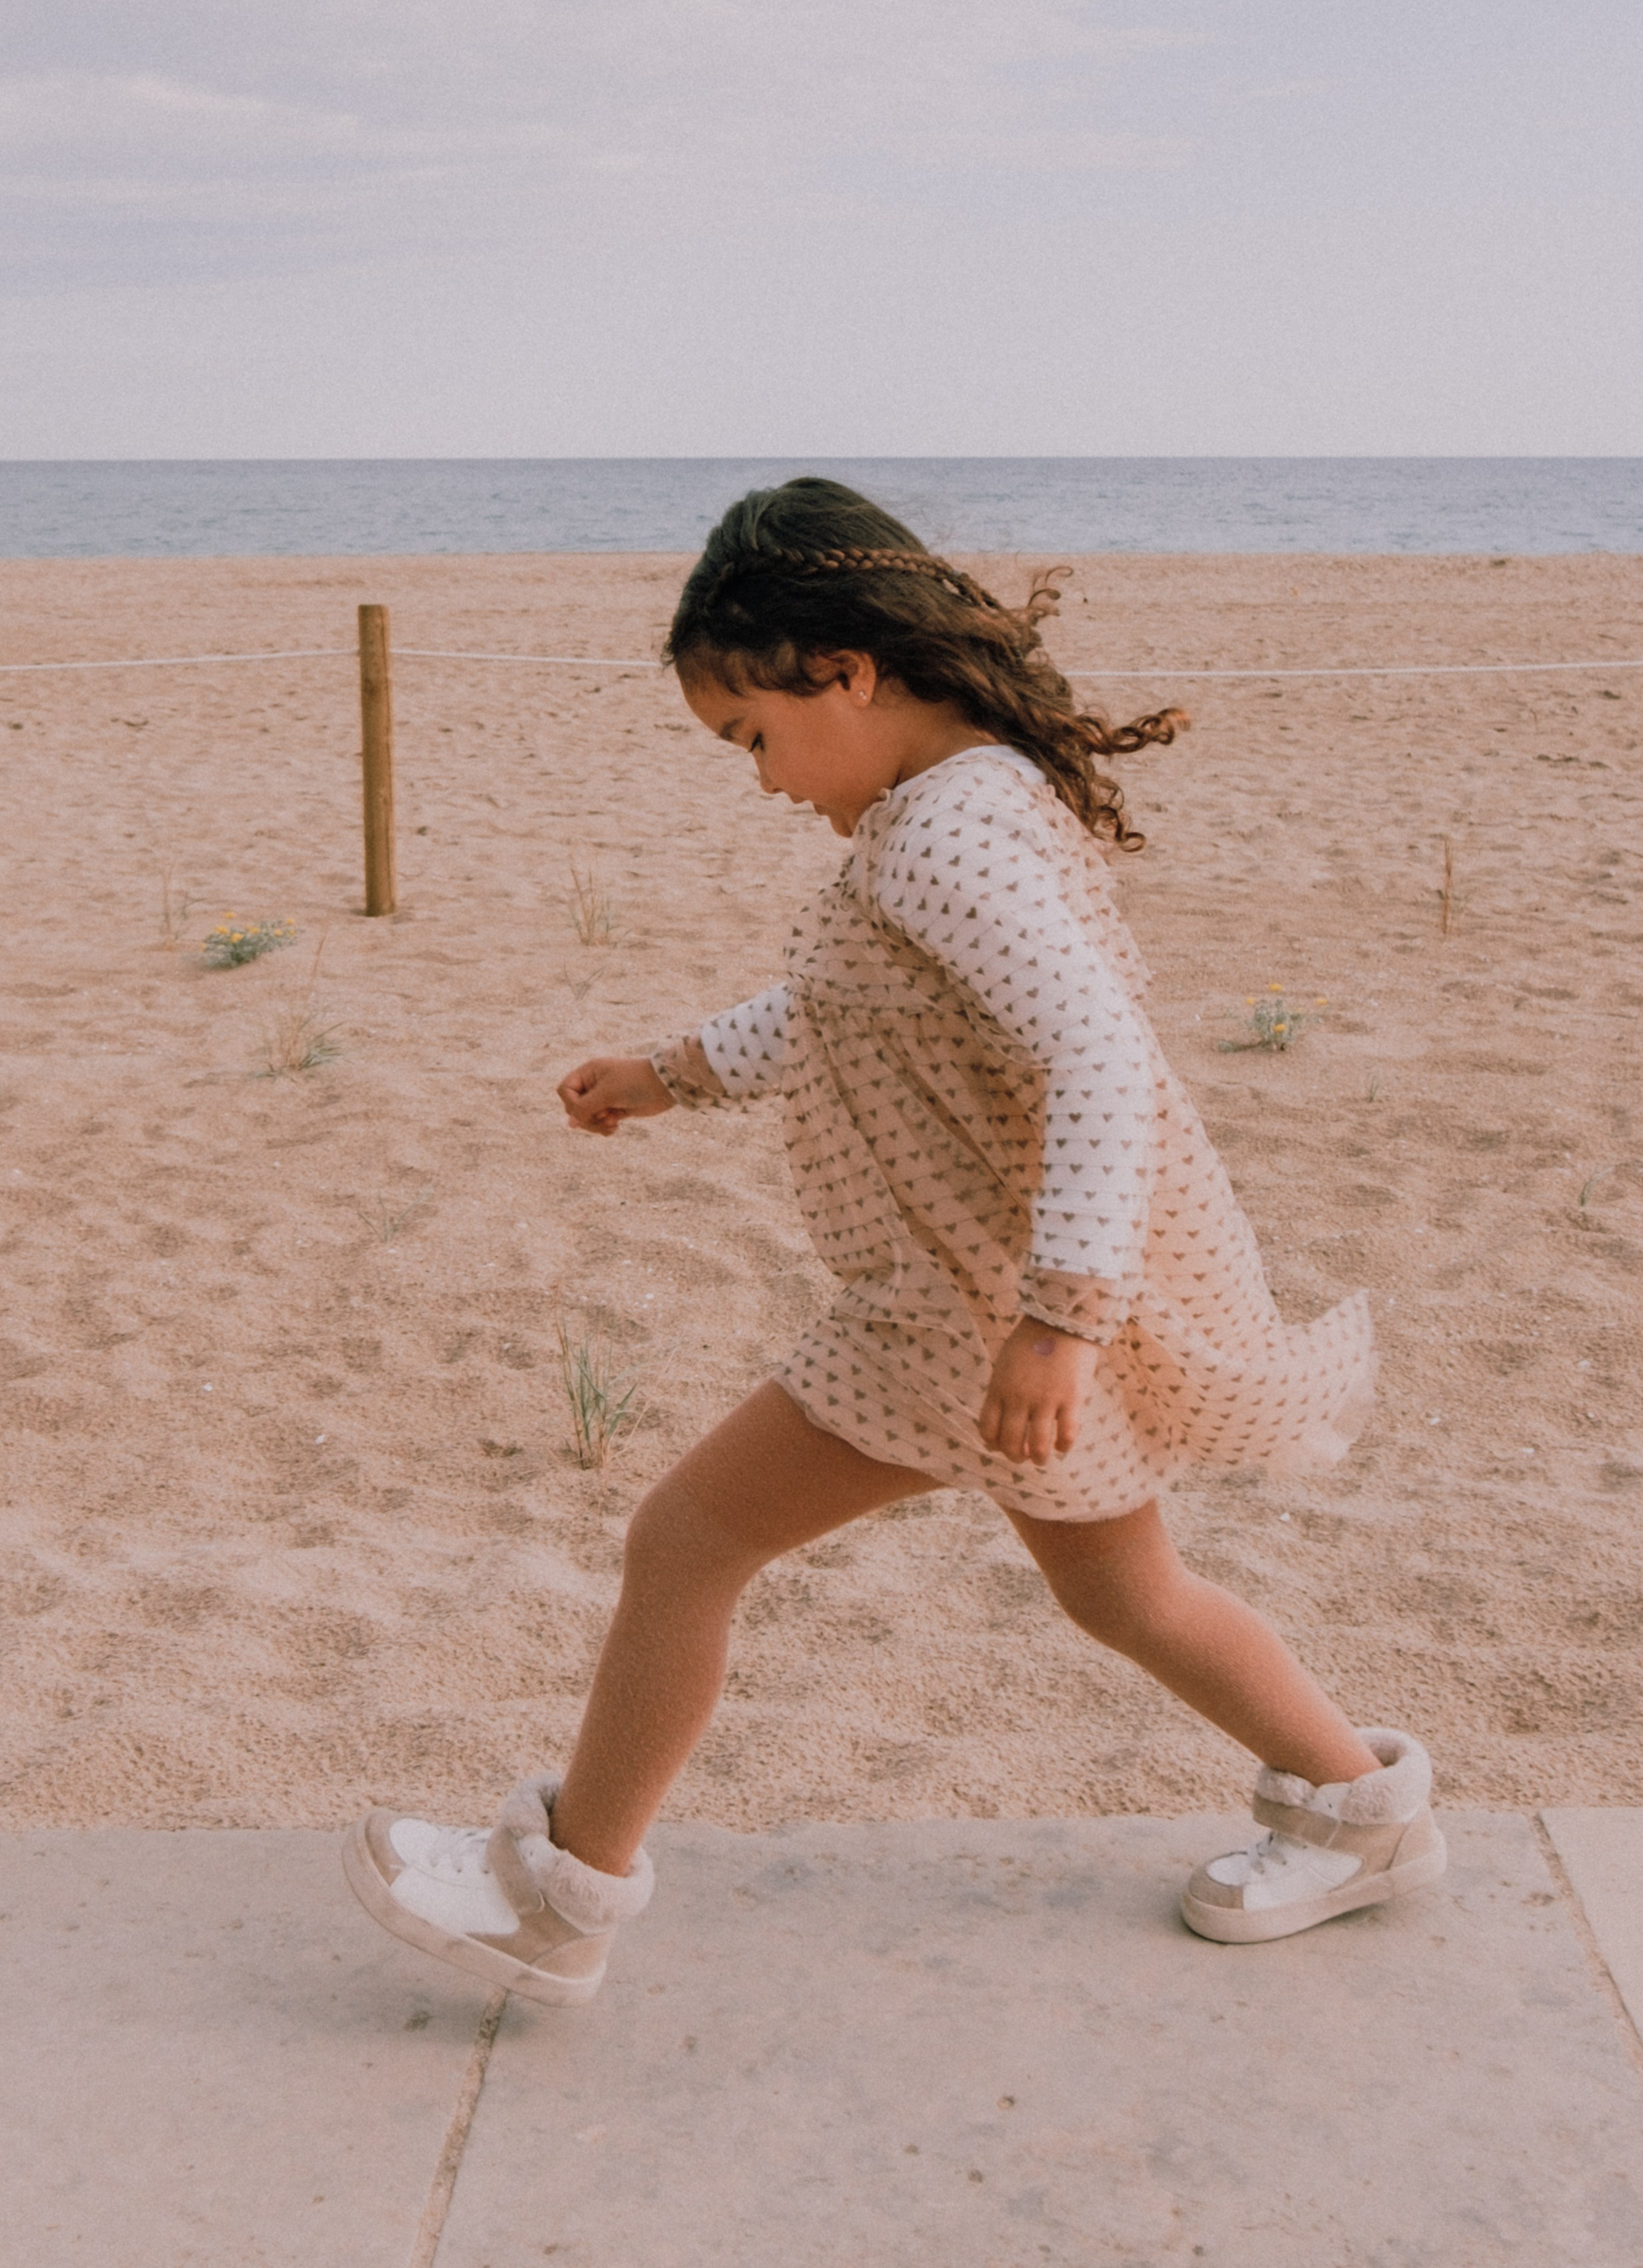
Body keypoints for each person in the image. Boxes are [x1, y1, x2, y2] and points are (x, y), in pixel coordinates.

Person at [344, 478, 1444, 2005]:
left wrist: (1060, 1317)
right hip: (987, 1291)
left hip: (970, 1301)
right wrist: (671, 1073)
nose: (761, 778)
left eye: (753, 736)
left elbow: (1102, 1057)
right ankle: (1360, 1813)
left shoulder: (947, 841)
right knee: (1124, 1593)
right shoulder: (964, 804)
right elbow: (850, 1011)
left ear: (843, 671)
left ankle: (558, 1902)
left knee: (686, 1540)